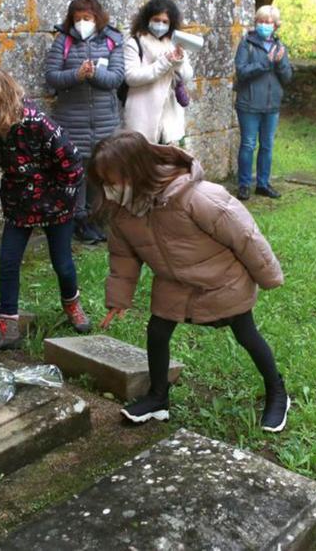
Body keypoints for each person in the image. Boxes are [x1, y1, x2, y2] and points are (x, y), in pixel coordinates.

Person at [90, 131, 289, 432]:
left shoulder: (198, 196)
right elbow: (123, 257)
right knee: (157, 331)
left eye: (113, 180)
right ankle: (158, 398)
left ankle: (277, 391)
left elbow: (245, 236)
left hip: (221, 281)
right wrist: (119, 297)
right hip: (173, 282)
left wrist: (269, 276)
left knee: (246, 333)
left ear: (136, 170)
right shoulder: (124, 212)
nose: (109, 189)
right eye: (103, 181)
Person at [0, 66, 91, 351]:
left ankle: (72, 302)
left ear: (7, 99)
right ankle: (7, 322)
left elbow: (72, 164)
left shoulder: (39, 125)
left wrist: (62, 201)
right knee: (9, 261)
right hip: (19, 204)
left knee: (62, 263)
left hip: (56, 205)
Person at [44, 0, 125, 244]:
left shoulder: (113, 41)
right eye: (77, 18)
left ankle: (95, 217)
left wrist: (94, 74)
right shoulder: (63, 42)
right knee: (76, 171)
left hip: (104, 121)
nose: (82, 22)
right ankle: (78, 220)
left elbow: (116, 78)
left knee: (99, 171)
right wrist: (77, 75)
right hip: (71, 121)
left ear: (97, 18)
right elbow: (52, 77)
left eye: (87, 18)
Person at [233, 4, 293, 201]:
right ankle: (243, 185)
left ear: (275, 25)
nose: (264, 25)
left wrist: (280, 62)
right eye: (261, 21)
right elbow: (242, 72)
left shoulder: (280, 46)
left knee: (267, 145)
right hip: (249, 104)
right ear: (256, 22)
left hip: (271, 105)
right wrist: (266, 63)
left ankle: (263, 184)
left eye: (268, 22)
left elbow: (287, 77)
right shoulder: (246, 44)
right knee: (249, 144)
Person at [123, 0, 194, 145]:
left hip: (170, 121)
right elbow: (132, 77)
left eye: (165, 22)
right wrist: (165, 62)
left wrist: (179, 62)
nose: (160, 24)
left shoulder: (175, 44)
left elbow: (187, 76)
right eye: (156, 20)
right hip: (143, 118)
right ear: (148, 19)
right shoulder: (134, 43)